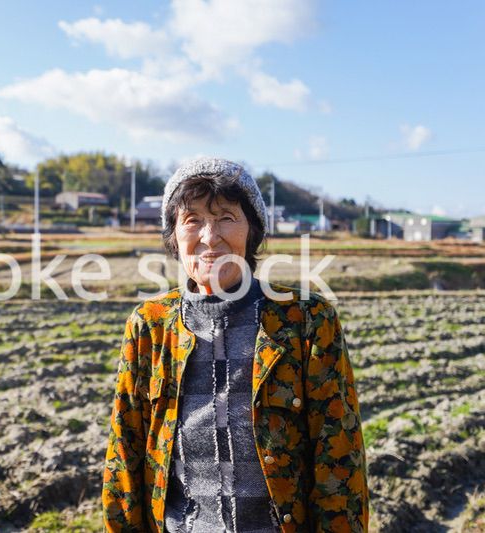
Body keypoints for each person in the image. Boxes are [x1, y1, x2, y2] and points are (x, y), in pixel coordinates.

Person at [102, 158, 368, 532]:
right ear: (174, 235)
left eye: (226, 217)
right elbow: (124, 455)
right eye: (192, 220)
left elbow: (339, 459)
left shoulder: (305, 320)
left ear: (252, 231)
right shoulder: (150, 326)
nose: (210, 237)